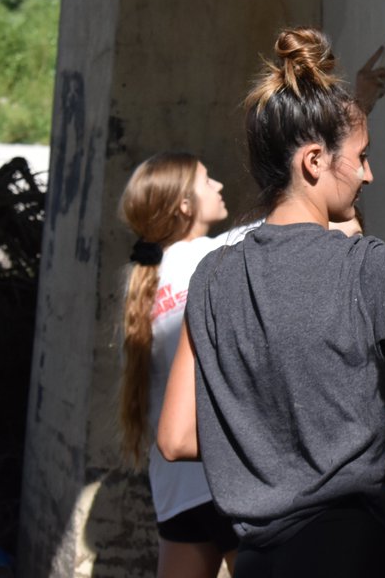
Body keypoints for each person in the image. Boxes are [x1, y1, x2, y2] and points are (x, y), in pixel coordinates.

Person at [157, 27, 385, 578]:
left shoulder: (211, 280)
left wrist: (267, 446)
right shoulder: (372, 269)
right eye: (361, 157)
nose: (368, 173)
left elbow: (175, 439)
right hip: (362, 557)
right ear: (314, 161)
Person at [118, 152, 238, 578]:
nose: (219, 186)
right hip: (225, 475)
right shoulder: (219, 254)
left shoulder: (139, 281)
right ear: (184, 204)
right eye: (208, 181)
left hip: (173, 487)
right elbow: (301, 213)